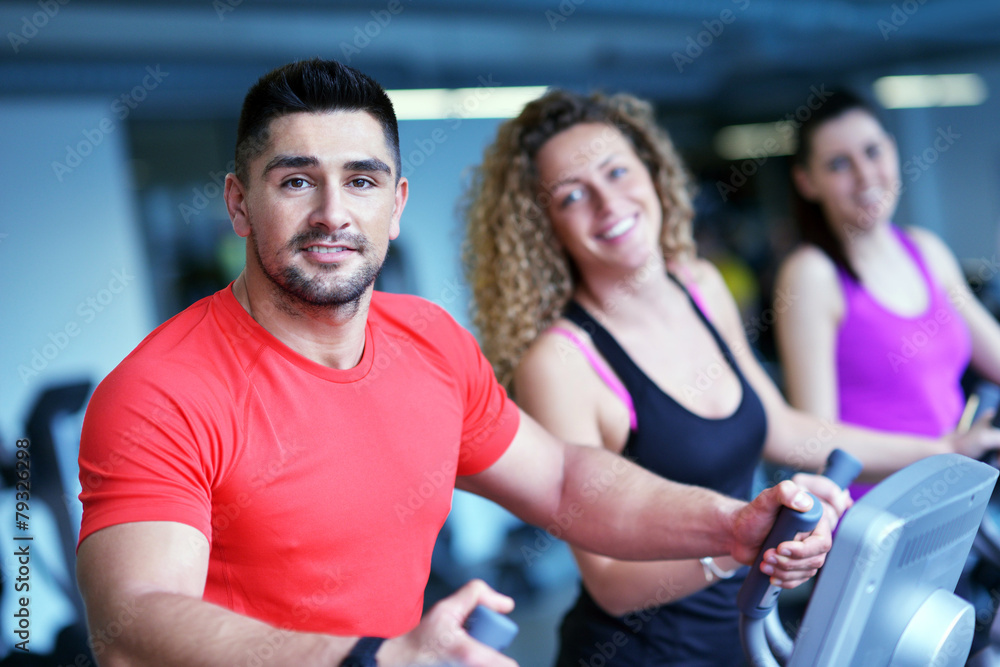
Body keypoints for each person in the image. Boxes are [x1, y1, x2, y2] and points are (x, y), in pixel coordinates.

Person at [74, 59, 834, 667]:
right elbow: (133, 621)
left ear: (396, 204)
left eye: (362, 181)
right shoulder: (160, 392)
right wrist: (375, 657)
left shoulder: (430, 341)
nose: (334, 212)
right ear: (239, 204)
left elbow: (566, 481)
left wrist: (728, 524)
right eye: (297, 180)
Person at [462, 89, 1000, 666]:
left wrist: (943, 450)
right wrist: (737, 541)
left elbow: (785, 428)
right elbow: (612, 582)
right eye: (572, 195)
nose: (609, 202)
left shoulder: (700, 285)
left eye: (618, 171)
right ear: (544, 226)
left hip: (739, 637)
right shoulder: (562, 362)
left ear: (652, 170)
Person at [774, 89, 1000, 497]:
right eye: (839, 164)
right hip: (882, 517)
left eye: (873, 151)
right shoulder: (811, 275)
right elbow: (814, 444)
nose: (864, 176)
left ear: (893, 152)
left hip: (957, 497)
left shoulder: (926, 250)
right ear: (807, 181)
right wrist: (942, 452)